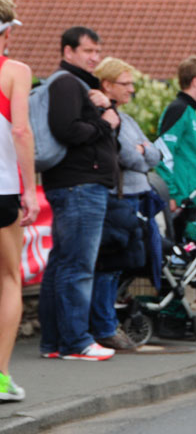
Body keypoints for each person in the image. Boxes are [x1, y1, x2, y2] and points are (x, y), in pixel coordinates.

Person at [38, 26, 121, 362]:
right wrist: (106, 121)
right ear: (68, 51)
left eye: (97, 51)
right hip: (80, 186)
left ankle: (54, 341)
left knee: (62, 264)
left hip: (74, 185)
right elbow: (68, 130)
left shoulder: (77, 85)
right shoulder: (67, 84)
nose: (94, 57)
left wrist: (105, 108)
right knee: (78, 266)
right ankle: (76, 342)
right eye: (88, 51)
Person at [90, 57, 161, 352]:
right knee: (109, 264)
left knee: (125, 265)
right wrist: (142, 152)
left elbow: (155, 155)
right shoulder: (107, 118)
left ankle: (109, 321)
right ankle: (104, 326)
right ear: (107, 85)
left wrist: (143, 151)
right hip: (117, 199)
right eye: (125, 83)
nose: (131, 89)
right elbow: (129, 157)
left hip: (137, 199)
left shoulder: (127, 119)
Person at [0, 0, 39, 399]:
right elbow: (21, 131)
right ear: (7, 33)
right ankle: (0, 378)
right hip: (3, 188)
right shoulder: (14, 71)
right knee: (9, 279)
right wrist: (29, 189)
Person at [155, 56, 196, 212]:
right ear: (195, 81)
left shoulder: (190, 111)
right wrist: (171, 194)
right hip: (181, 198)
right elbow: (163, 152)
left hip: (193, 197)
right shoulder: (178, 109)